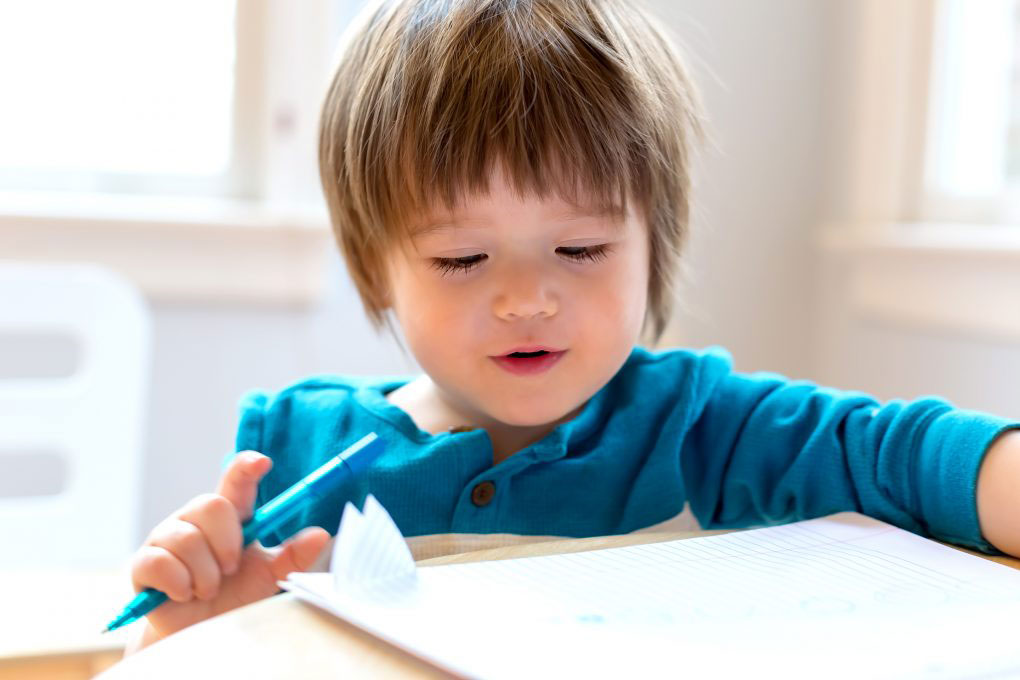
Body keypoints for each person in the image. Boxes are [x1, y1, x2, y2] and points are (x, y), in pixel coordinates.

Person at [125, 0, 1020, 653]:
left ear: (652, 245)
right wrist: (190, 631)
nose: (526, 299)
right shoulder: (295, 448)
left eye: (583, 248)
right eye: (463, 260)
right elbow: (165, 653)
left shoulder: (703, 429)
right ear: (376, 265)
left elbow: (903, 457)